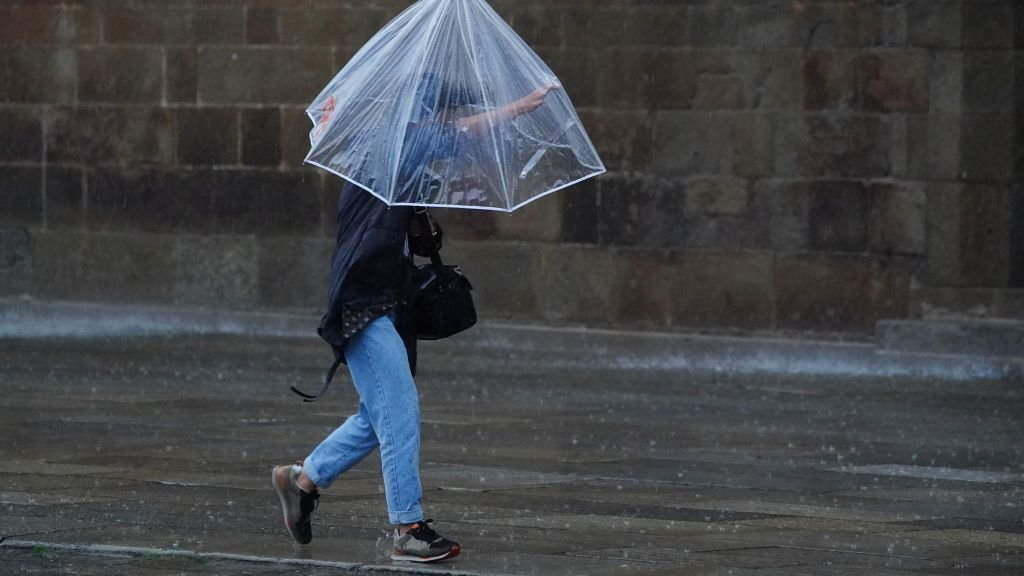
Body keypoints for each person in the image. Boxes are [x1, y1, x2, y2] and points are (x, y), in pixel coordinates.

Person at [272, 79, 557, 563]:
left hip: (387, 300)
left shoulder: (394, 157)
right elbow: (461, 134)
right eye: (440, 113)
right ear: (423, 113)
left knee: (376, 414)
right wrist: (516, 106)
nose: (443, 123)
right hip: (364, 302)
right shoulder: (396, 140)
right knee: (399, 408)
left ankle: (301, 481)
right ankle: (408, 527)